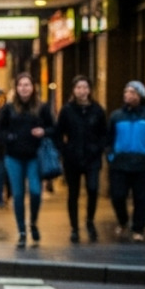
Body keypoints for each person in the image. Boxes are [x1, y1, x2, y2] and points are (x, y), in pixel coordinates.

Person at [0, 72, 56, 249]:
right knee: (18, 194)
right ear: (16, 88)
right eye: (21, 85)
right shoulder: (9, 108)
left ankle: (34, 223)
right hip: (13, 156)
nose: (24, 88)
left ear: (33, 88)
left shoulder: (42, 107)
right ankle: (22, 231)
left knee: (36, 191)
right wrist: (9, 137)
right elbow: (0, 130)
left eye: (27, 85)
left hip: (34, 156)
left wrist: (43, 132)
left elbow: (54, 127)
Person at [54, 76, 107, 243]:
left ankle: (90, 221)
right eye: (78, 88)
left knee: (92, 189)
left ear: (89, 90)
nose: (82, 91)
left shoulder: (97, 110)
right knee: (73, 193)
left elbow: (104, 133)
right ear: (73, 90)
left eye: (85, 87)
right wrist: (64, 150)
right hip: (72, 158)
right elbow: (58, 133)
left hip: (92, 157)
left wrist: (98, 148)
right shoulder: (67, 110)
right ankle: (74, 227)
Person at [107, 81, 145, 242]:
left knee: (141, 198)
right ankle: (123, 221)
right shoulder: (116, 116)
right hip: (119, 163)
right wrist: (110, 155)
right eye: (126, 92)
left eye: (132, 92)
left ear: (140, 96)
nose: (128, 95)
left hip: (142, 163)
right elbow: (108, 138)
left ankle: (138, 228)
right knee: (118, 196)